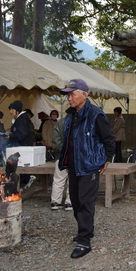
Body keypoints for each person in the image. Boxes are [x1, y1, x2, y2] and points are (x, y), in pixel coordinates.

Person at [59, 79, 115, 259]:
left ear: (84, 94)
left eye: (73, 94)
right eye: (68, 95)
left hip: (90, 165)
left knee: (85, 202)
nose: (69, 98)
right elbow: (68, 141)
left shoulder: (96, 114)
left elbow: (109, 138)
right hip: (74, 165)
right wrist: (67, 162)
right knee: (75, 201)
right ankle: (86, 231)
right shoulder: (70, 115)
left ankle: (84, 241)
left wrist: (106, 159)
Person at [8, 100, 36, 188]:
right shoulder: (21, 118)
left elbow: (23, 134)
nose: (10, 111)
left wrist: (12, 136)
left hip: (23, 147)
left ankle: (27, 179)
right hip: (23, 146)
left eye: (12, 109)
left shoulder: (22, 119)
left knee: (21, 165)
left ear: (17, 110)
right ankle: (25, 180)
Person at [50, 116, 72, 211]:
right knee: (73, 180)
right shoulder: (80, 121)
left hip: (61, 156)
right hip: (75, 157)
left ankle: (55, 202)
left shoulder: (60, 122)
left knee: (58, 179)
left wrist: (62, 150)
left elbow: (55, 140)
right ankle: (69, 203)